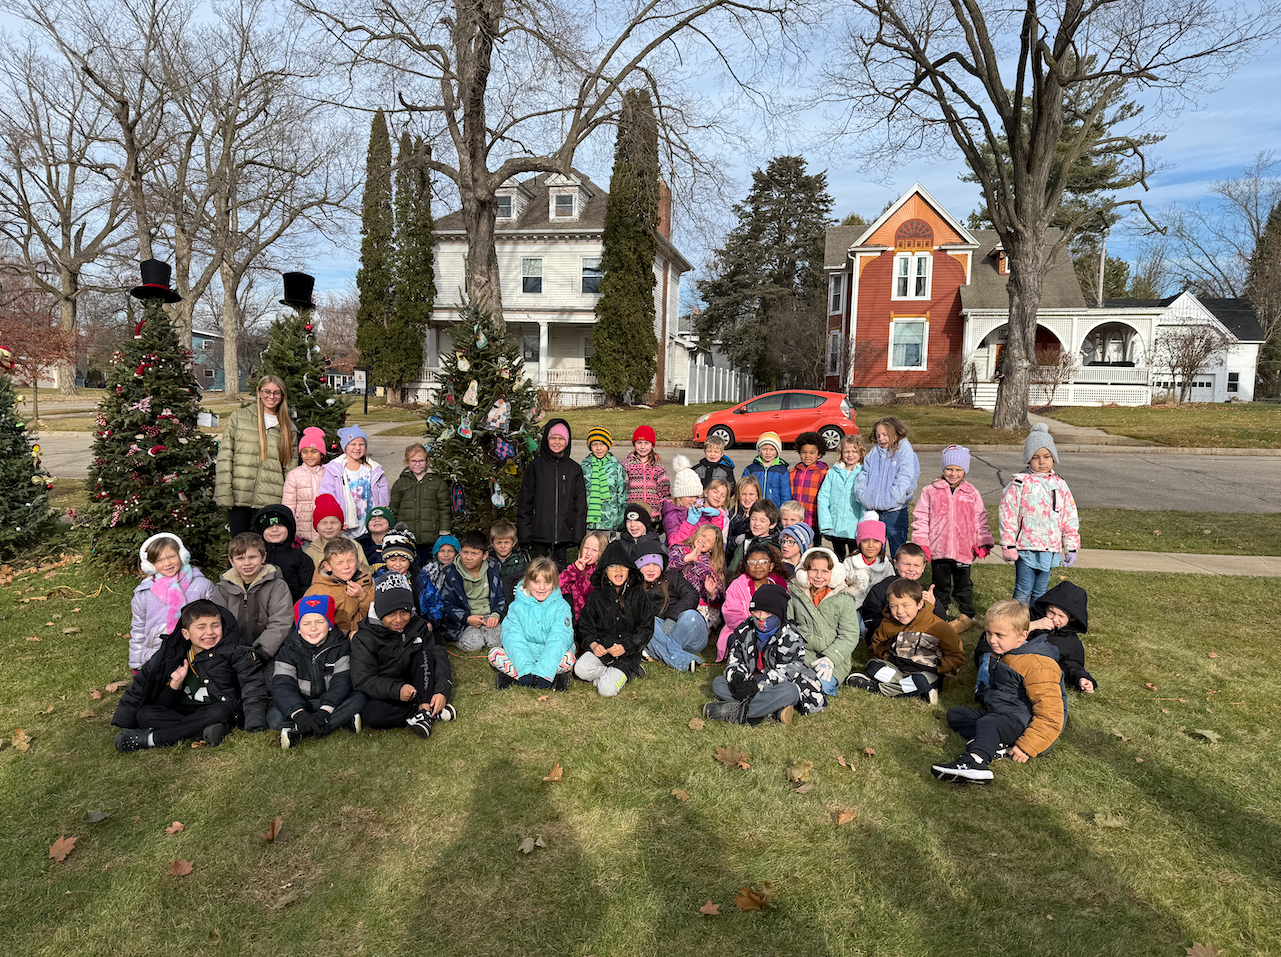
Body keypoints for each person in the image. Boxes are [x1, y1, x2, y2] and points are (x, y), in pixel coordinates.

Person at [931, 599, 1066, 784]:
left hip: (1022, 722)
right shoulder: (1007, 653)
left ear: (1022, 635)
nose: (992, 640)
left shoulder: (1039, 665)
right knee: (956, 715)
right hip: (1002, 714)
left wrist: (1028, 745)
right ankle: (996, 743)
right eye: (989, 632)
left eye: (999, 635)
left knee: (989, 723)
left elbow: (1052, 715)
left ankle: (976, 762)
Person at [112, 599, 268, 752]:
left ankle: (154, 739)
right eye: (201, 627)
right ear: (186, 633)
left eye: (215, 625)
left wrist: (254, 724)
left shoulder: (235, 652)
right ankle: (204, 730)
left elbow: (252, 685)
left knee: (221, 711)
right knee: (145, 715)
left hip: (215, 709)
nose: (209, 632)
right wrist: (174, 684)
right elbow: (164, 704)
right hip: (184, 711)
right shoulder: (176, 655)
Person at [702, 583, 825, 725]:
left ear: (779, 614)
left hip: (778, 684)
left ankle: (739, 712)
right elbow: (735, 660)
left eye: (767, 613)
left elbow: (788, 672)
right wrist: (737, 677)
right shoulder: (745, 630)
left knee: (789, 692)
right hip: (751, 681)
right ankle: (772, 710)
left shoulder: (790, 636)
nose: (761, 618)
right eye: (756, 612)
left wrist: (757, 684)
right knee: (719, 683)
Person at [350, 573, 455, 739]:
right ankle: (426, 712)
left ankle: (425, 707)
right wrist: (397, 690)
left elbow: (438, 655)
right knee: (372, 715)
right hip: (388, 691)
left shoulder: (419, 625)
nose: (398, 619)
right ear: (380, 611)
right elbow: (363, 679)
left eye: (404, 612)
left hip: (420, 683)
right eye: (391, 614)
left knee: (425, 655)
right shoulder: (364, 638)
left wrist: (442, 691)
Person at [911, 444, 993, 631]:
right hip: (938, 549)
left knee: (963, 584)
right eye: (949, 469)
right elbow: (921, 518)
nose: (953, 474)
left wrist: (983, 542)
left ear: (965, 471)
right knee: (940, 584)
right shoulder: (930, 491)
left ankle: (967, 614)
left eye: (958, 470)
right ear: (943, 468)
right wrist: (921, 544)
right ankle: (941, 613)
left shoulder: (972, 493)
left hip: (964, 549)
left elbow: (980, 519)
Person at [271, 595, 368, 748]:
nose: (313, 628)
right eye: (306, 623)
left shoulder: (341, 647)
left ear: (330, 625)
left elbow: (342, 682)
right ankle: (340, 721)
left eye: (320, 622)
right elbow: (282, 685)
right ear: (298, 628)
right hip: (303, 702)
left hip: (332, 702)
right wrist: (299, 714)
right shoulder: (287, 650)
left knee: (359, 698)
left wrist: (325, 711)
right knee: (274, 717)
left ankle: (299, 731)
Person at [999, 423, 1081, 604]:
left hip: (1049, 549)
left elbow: (1069, 517)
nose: (1042, 462)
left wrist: (1071, 547)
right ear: (1028, 459)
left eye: (1046, 457)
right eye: (1036, 457)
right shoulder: (1019, 483)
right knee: (1023, 589)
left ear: (1053, 458)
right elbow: (1008, 515)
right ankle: (1017, 620)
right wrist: (1008, 544)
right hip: (1025, 548)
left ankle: (1036, 621)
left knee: (1041, 592)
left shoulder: (1060, 485)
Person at [974, 581, 1095, 700]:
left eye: (1061, 616)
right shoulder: (1029, 617)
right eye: (1051, 612)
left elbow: (1071, 665)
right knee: (989, 652)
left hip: (1030, 673)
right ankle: (983, 687)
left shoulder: (1070, 642)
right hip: (1006, 658)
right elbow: (1001, 633)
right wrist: (1034, 625)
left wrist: (1081, 678)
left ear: (1072, 618)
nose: (1054, 619)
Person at [849, 578, 962, 703]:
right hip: (896, 669)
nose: (900, 611)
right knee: (872, 666)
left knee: (921, 681)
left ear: (919, 604)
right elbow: (877, 643)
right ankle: (918, 691)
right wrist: (885, 656)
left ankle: (876, 688)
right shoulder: (887, 624)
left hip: (925, 673)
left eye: (906, 605)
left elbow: (956, 656)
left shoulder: (939, 627)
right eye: (893, 606)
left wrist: (940, 667)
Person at [215, 375, 294, 536]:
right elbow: (225, 456)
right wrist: (225, 494)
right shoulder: (239, 417)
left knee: (269, 546)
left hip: (272, 497)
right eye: (267, 391)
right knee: (240, 545)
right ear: (259, 392)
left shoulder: (288, 427)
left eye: (276, 392)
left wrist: (288, 502)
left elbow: (290, 468)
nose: (271, 396)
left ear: (282, 395)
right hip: (239, 494)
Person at [129, 532, 214, 674]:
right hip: (157, 653)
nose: (167, 563)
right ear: (151, 565)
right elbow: (138, 630)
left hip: (197, 652)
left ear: (182, 556)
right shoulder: (143, 594)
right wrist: (137, 664)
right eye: (160, 560)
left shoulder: (202, 586)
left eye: (172, 556)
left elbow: (216, 621)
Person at [573, 541, 650, 696]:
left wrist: (626, 647)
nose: (618, 570)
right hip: (602, 650)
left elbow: (646, 629)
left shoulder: (639, 595)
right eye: (612, 566)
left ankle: (628, 671)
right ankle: (607, 674)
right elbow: (586, 625)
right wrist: (594, 644)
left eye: (623, 566)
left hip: (627, 655)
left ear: (630, 569)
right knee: (580, 670)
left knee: (606, 690)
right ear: (605, 570)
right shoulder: (596, 595)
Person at [490, 558, 576, 691]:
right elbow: (513, 637)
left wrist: (545, 669)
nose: (542, 587)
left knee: (569, 659)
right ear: (527, 582)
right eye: (536, 582)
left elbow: (560, 637)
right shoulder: (516, 607)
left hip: (550, 653)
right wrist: (525, 668)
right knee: (494, 654)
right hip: (525, 652)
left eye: (547, 582)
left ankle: (526, 675)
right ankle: (532, 675)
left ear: (554, 584)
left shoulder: (561, 606)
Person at [517, 418, 586, 569]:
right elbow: (525, 502)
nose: (556, 442)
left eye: (561, 438)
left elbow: (580, 505)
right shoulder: (535, 467)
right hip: (539, 536)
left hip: (565, 537)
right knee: (538, 574)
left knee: (563, 576)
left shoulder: (574, 469)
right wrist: (525, 534)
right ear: (546, 440)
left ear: (567, 441)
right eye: (553, 438)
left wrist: (578, 536)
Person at [211, 532, 293, 660]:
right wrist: (230, 651)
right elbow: (216, 622)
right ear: (232, 561)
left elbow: (281, 622)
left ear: (263, 557)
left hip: (269, 652)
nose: (247, 563)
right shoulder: (223, 589)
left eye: (252, 557)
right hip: (231, 652)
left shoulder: (277, 586)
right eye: (240, 558)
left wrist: (260, 652)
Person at [788, 547, 861, 690]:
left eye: (825, 571)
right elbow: (788, 625)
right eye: (813, 570)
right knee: (788, 680)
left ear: (835, 574)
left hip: (834, 660)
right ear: (804, 572)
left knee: (818, 686)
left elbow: (850, 634)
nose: (819, 576)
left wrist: (831, 658)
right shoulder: (795, 595)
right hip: (803, 655)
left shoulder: (844, 599)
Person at [855, 416, 920, 556]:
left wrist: (895, 497)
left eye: (885, 435)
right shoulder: (874, 453)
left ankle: (898, 571)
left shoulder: (905, 452)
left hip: (895, 511)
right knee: (875, 551)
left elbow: (907, 477)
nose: (881, 439)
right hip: (874, 511)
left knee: (898, 550)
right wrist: (862, 494)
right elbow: (864, 474)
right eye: (878, 436)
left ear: (896, 433)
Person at [717, 540, 790, 661]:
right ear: (746, 566)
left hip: (773, 630)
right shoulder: (738, 585)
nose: (757, 566)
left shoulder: (778, 585)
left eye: (763, 562)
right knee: (738, 640)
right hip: (743, 630)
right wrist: (752, 630)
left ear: (771, 566)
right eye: (752, 562)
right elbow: (732, 614)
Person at [635, 548, 705, 673]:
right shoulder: (635, 589)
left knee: (691, 615)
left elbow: (691, 595)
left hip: (687, 633)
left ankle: (656, 651)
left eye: (655, 565)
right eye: (646, 565)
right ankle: (682, 660)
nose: (651, 569)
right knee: (646, 621)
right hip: (660, 633)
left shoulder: (671, 576)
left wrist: (672, 618)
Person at [318, 425, 389, 539]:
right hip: (345, 528)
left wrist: (382, 516)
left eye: (361, 444)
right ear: (345, 446)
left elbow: (384, 496)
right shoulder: (334, 471)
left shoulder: (373, 469)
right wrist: (337, 519)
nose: (357, 448)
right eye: (353, 444)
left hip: (370, 526)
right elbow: (327, 498)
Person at [439, 530, 506, 650]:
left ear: (485, 555)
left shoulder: (492, 571)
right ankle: (461, 638)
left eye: (475, 554)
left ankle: (485, 632)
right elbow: (447, 605)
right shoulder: (452, 574)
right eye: (465, 552)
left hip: (488, 616)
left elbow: (500, 597)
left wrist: (496, 614)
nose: (468, 557)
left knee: (496, 642)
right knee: (474, 645)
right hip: (463, 620)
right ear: (460, 551)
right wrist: (467, 618)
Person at [388, 442, 451, 566]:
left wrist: (444, 531)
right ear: (406, 462)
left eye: (421, 461)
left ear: (427, 461)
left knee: (426, 564)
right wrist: (392, 530)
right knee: (408, 564)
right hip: (406, 534)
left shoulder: (437, 482)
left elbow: (444, 508)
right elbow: (394, 508)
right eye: (413, 461)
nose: (417, 464)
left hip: (429, 534)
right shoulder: (400, 483)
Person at [858, 542, 935, 640]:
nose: (911, 569)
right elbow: (870, 614)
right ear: (896, 564)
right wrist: (887, 630)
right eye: (906, 564)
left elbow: (940, 619)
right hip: (887, 634)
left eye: (917, 565)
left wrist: (933, 603)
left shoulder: (923, 591)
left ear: (923, 568)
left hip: (915, 634)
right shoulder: (883, 587)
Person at [306, 536, 375, 637]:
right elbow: (312, 625)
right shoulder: (317, 591)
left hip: (368, 637)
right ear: (327, 566)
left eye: (351, 561)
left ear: (357, 560)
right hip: (337, 641)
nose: (346, 567)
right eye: (339, 563)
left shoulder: (366, 580)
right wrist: (347, 635)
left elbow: (376, 614)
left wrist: (362, 596)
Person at [252, 504, 315, 602]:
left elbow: (307, 589)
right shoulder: (252, 556)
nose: (274, 529)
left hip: (292, 607)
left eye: (280, 525)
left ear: (290, 528)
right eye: (269, 526)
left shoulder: (301, 558)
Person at [818, 435, 867, 561]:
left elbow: (865, 501)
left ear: (861, 453)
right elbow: (823, 496)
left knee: (854, 558)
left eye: (854, 451)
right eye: (847, 452)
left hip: (853, 526)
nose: (850, 455)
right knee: (838, 557)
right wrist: (826, 522)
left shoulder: (864, 473)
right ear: (841, 453)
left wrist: (862, 525)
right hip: (835, 525)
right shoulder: (833, 472)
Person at [667, 524, 726, 627]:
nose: (704, 541)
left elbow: (720, 596)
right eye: (703, 535)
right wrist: (686, 559)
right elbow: (666, 569)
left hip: (700, 605)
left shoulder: (713, 565)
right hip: (674, 598)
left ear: (713, 548)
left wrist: (712, 592)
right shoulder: (679, 549)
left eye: (709, 541)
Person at [282, 427, 327, 544]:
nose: (309, 455)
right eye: (305, 452)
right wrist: (290, 527)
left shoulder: (328, 473)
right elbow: (288, 504)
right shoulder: (294, 475)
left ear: (322, 454)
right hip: (302, 532)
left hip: (325, 530)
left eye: (314, 451)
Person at [580, 427, 627, 535]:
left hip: (610, 522)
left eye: (602, 444)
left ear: (608, 445)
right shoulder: (584, 467)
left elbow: (622, 496)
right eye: (594, 444)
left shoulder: (616, 468)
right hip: (589, 524)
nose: (598, 448)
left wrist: (620, 521)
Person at [843, 519, 894, 610]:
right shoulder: (849, 562)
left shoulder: (886, 566)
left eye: (876, 541)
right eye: (866, 540)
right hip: (852, 606)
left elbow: (891, 589)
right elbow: (841, 585)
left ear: (882, 543)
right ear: (859, 542)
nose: (871, 545)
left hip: (877, 608)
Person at [623, 426, 670, 519]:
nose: (643, 447)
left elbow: (664, 492)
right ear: (634, 444)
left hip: (653, 514)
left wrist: (664, 511)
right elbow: (623, 490)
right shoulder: (627, 465)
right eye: (639, 443)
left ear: (652, 445)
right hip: (633, 514)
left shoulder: (658, 466)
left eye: (647, 443)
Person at [559, 530, 608, 618]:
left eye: (594, 550)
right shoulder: (577, 571)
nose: (588, 553)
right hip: (578, 620)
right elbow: (557, 588)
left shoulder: (606, 573)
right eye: (586, 548)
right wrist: (574, 569)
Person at [789, 431, 829, 533]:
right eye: (804, 452)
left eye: (812, 452)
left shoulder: (824, 473)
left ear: (819, 454)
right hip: (795, 521)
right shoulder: (794, 472)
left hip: (814, 520)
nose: (807, 455)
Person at [727, 499, 781, 573]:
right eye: (753, 519)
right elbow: (732, 569)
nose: (756, 523)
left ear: (772, 525)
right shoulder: (746, 543)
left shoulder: (774, 547)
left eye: (762, 521)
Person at [742, 431, 790, 507]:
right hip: (755, 508)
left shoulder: (782, 471)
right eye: (764, 449)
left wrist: (784, 510)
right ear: (759, 450)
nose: (768, 452)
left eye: (772, 449)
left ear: (777, 451)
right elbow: (743, 489)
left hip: (774, 509)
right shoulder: (751, 469)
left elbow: (785, 495)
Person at [491, 521, 531, 608]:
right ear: (492, 544)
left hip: (515, 600)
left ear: (514, 543)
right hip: (494, 602)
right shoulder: (488, 560)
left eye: (507, 542)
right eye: (499, 542)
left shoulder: (521, 559)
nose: (503, 546)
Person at [725, 475, 762, 564]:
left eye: (751, 494)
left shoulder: (764, 514)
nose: (747, 498)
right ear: (738, 495)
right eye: (743, 494)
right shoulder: (730, 515)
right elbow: (724, 543)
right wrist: (735, 541)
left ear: (757, 495)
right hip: (734, 562)